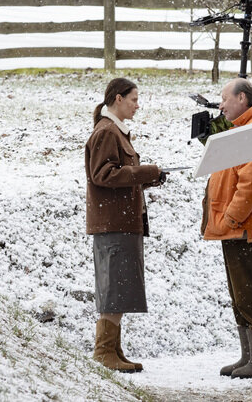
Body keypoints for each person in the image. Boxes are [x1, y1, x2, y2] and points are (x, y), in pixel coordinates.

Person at [202, 78, 252, 379]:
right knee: (242, 293)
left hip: (245, 228)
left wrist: (231, 218)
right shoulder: (243, 130)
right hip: (237, 228)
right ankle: (250, 356)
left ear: (242, 99)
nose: (220, 105)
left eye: (225, 98)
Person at [85, 77, 166, 373]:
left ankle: (112, 349)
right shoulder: (107, 132)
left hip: (120, 221)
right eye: (133, 99)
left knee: (119, 287)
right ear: (117, 99)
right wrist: (143, 172)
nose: (137, 104)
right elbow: (103, 174)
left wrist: (150, 176)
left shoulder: (115, 131)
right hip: (113, 223)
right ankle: (104, 351)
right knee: (114, 288)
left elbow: (119, 174)